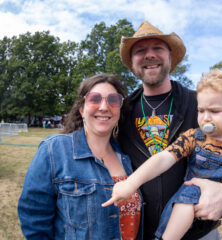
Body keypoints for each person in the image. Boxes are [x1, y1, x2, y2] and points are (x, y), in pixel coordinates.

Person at [117, 20, 222, 240]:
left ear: (170, 57)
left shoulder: (201, 104)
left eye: (157, 48)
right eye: (140, 50)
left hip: (198, 232)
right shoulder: (122, 112)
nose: (149, 55)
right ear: (132, 61)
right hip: (139, 232)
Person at [104, 69, 222, 240]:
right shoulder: (193, 137)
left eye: (214, 111)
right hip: (188, 197)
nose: (205, 118)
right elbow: (163, 158)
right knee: (187, 199)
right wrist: (131, 183)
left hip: (209, 215)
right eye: (201, 110)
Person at [18, 74, 143, 239]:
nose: (104, 107)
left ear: (119, 109)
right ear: (82, 109)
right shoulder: (54, 150)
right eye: (95, 99)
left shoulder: (126, 157)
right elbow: (34, 220)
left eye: (113, 100)